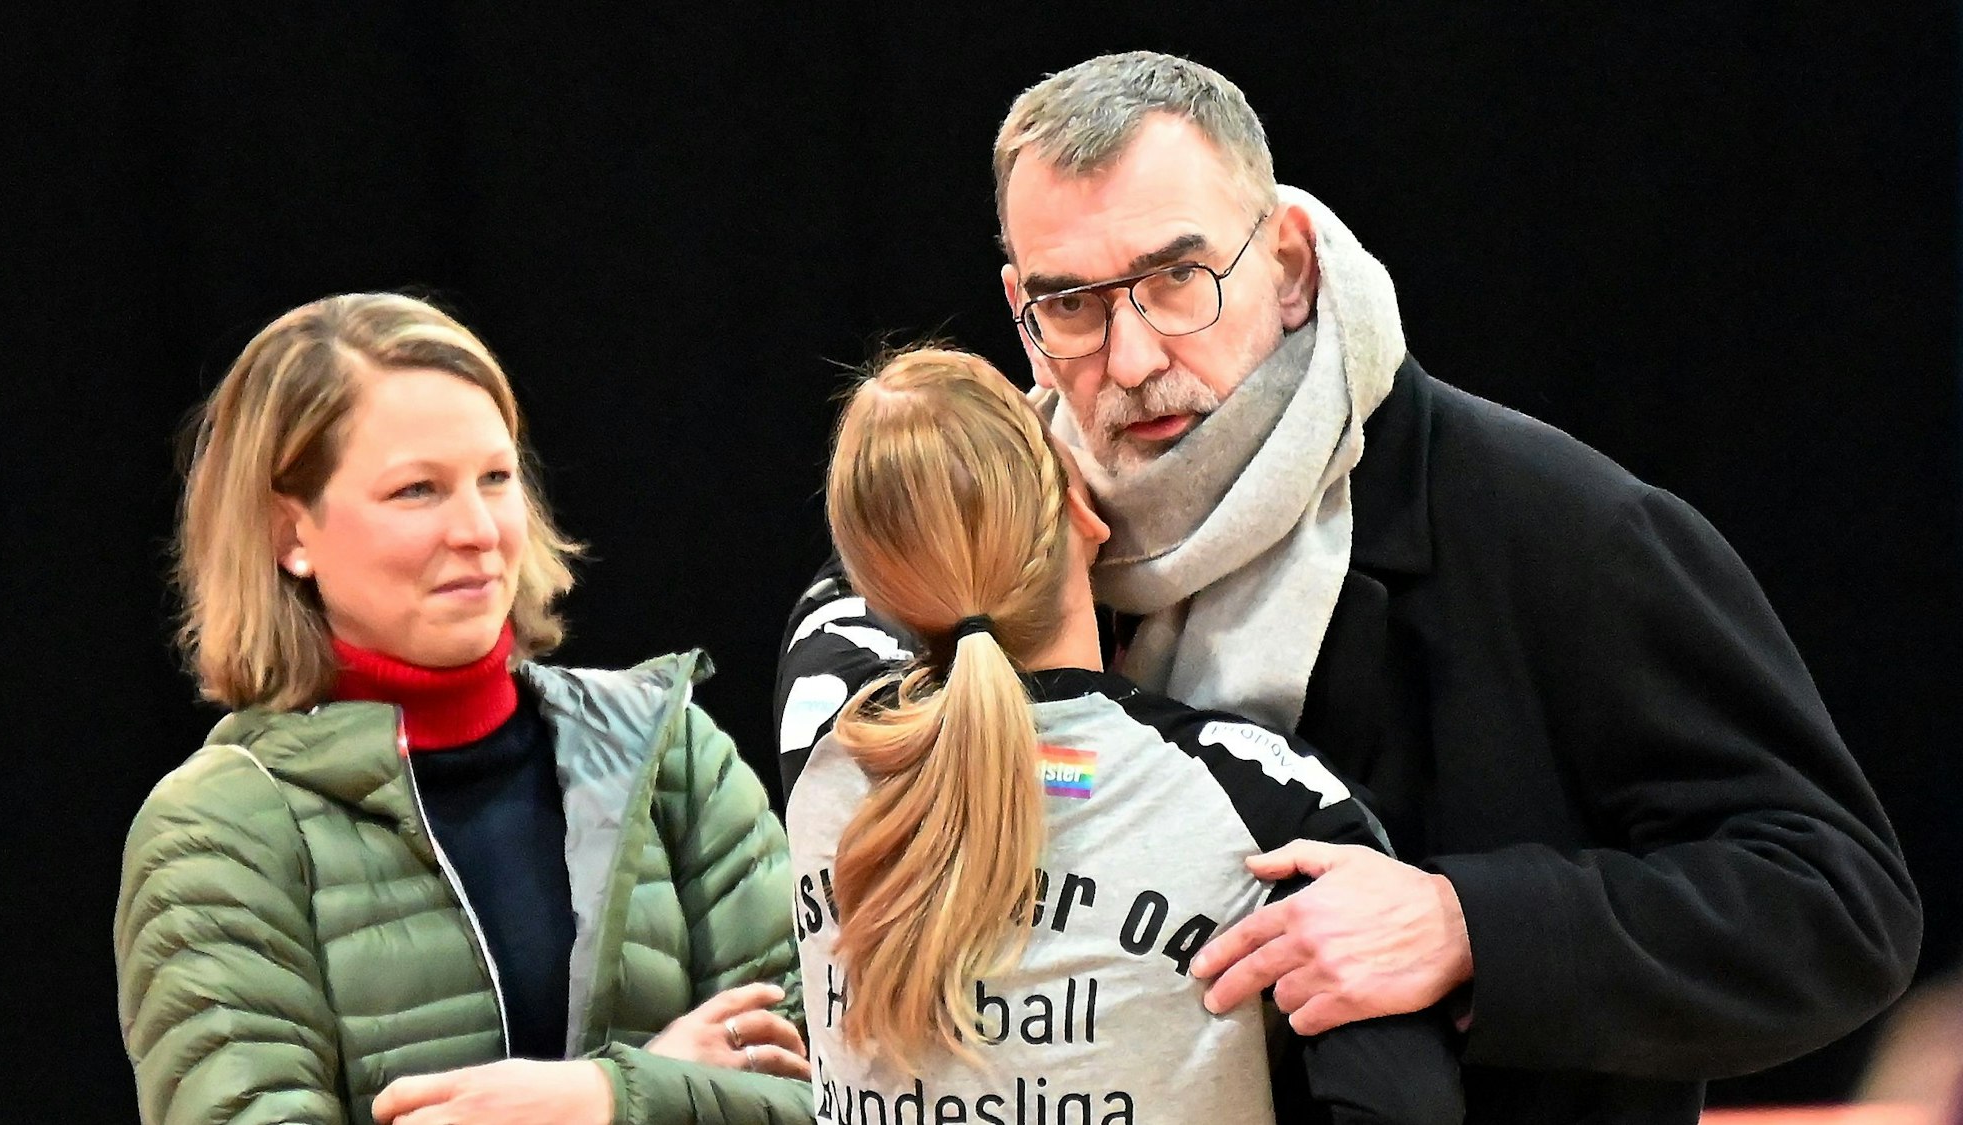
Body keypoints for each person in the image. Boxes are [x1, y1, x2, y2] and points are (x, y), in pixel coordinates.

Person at [777, 52, 1921, 1124]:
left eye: (1178, 278)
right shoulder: (968, 533)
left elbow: (1837, 904)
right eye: (1071, 304)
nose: (1128, 359)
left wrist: (1466, 924)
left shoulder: (1556, 530)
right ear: (1019, 307)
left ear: (1285, 262)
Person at [117, 293, 813, 1125]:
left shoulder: (672, 756)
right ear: (287, 534)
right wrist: (626, 1095)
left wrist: (604, 1097)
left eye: (495, 477)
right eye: (418, 490)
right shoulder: (218, 830)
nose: (479, 529)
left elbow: (837, 1090)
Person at [789, 345, 1461, 1125]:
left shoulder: (825, 736)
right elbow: (1405, 1102)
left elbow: (867, 557)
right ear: (1081, 507)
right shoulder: (1266, 806)